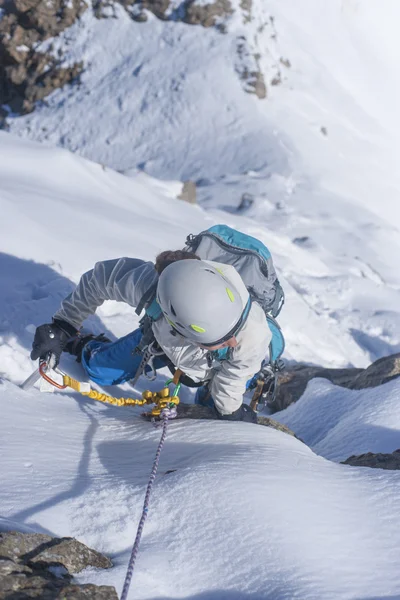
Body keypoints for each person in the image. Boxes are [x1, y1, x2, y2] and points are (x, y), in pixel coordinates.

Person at [31, 248, 273, 422]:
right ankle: (87, 346)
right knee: (99, 371)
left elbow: (233, 378)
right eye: (219, 340)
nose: (231, 341)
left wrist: (230, 410)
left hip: (217, 366)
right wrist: (65, 325)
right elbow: (101, 279)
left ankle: (206, 390)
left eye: (230, 334)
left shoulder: (253, 333)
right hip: (162, 341)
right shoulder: (154, 289)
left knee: (213, 406)